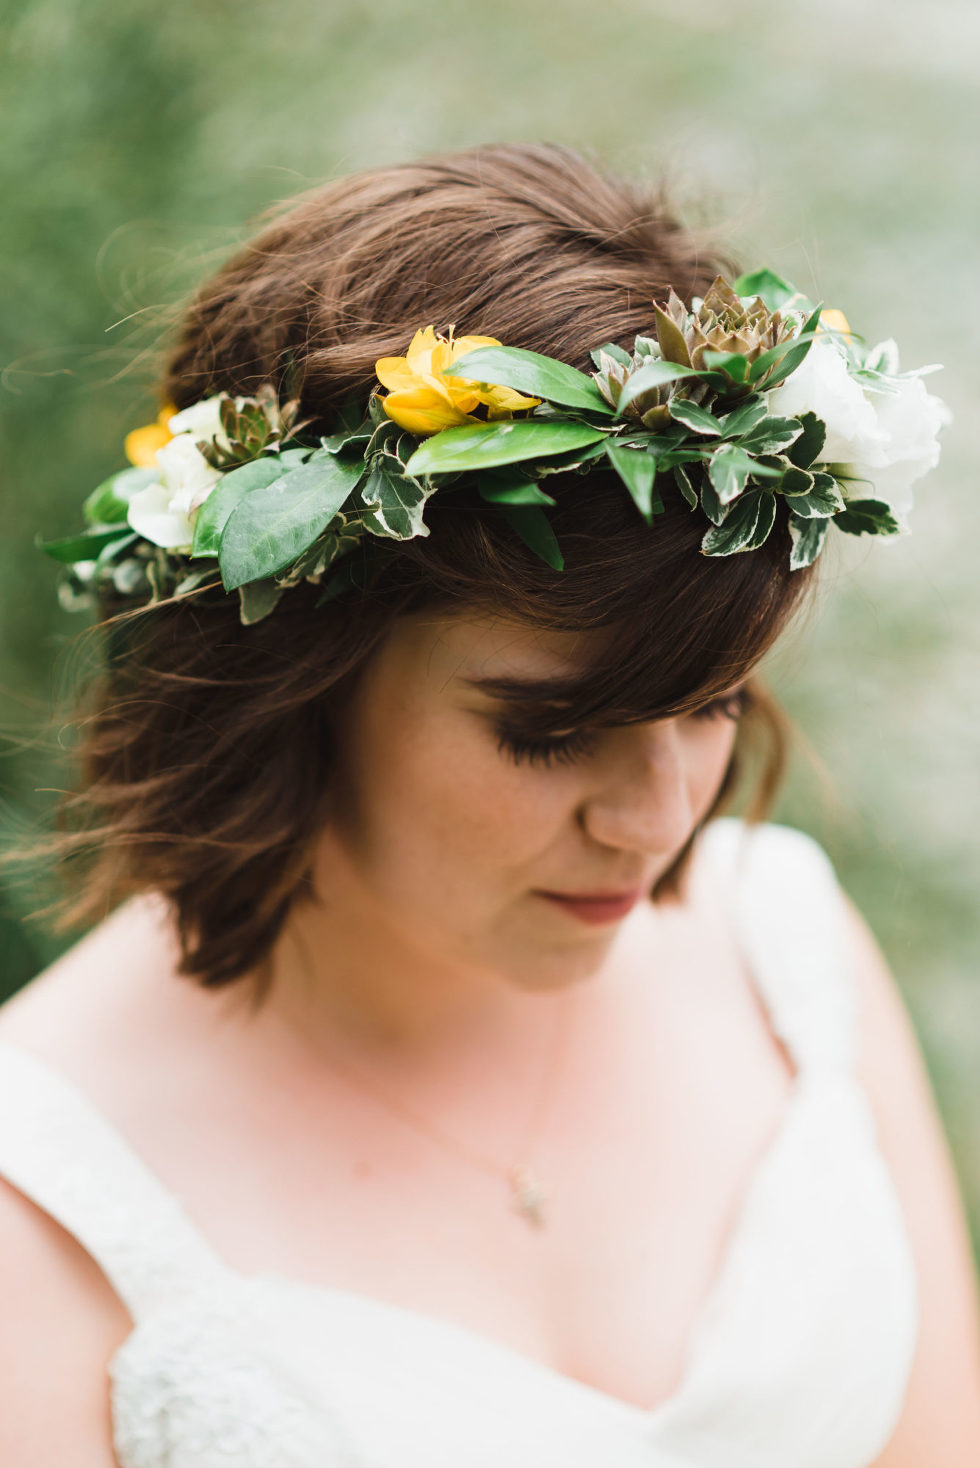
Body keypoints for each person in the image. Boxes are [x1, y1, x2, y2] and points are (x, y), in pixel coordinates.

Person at [0, 141, 977, 1468]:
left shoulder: (783, 952)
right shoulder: (41, 1197)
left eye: (711, 702)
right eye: (551, 732)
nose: (655, 818)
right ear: (298, 678)